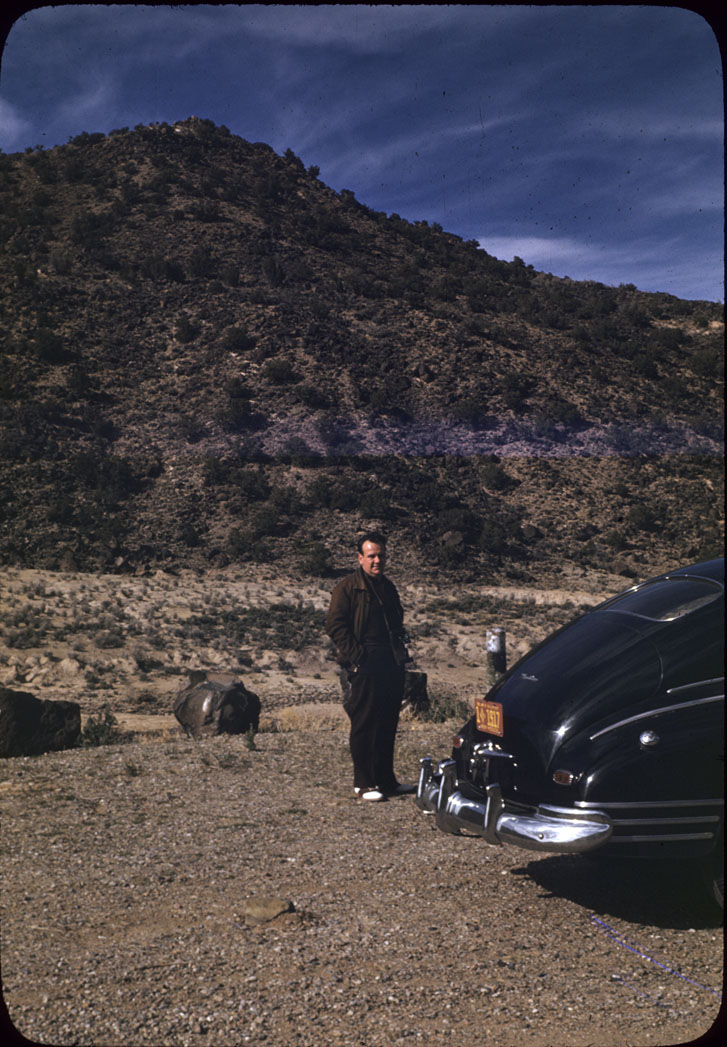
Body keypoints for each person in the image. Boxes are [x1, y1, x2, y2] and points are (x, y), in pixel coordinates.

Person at [325, 532, 415, 801]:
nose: (377, 561)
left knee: (387, 721)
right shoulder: (347, 588)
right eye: (372, 556)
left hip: (390, 662)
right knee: (364, 723)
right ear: (360, 558)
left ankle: (386, 780)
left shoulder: (387, 586)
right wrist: (358, 655)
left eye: (381, 556)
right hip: (364, 664)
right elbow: (335, 625)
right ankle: (363, 783)